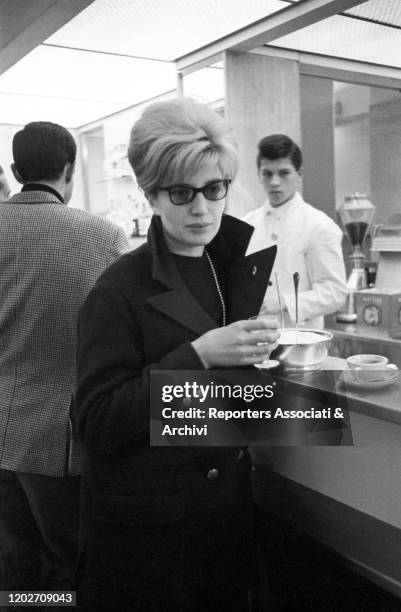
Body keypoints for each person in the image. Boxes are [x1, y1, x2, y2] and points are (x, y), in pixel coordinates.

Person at [74, 97, 279, 612]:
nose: (203, 209)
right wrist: (199, 355)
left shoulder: (233, 263)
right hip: (152, 537)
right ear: (150, 194)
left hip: (222, 521)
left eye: (214, 189)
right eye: (182, 193)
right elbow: (96, 422)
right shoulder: (118, 288)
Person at [0, 121, 129, 596]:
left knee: (15, 565)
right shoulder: (103, 236)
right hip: (60, 440)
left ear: (15, 170)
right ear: (70, 170)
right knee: (69, 564)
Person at [244, 134, 347, 329]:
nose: (274, 182)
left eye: (283, 173)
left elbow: (335, 293)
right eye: (267, 173)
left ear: (299, 174)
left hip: (299, 342)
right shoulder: (246, 224)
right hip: (253, 337)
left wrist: (284, 302)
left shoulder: (319, 225)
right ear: (259, 174)